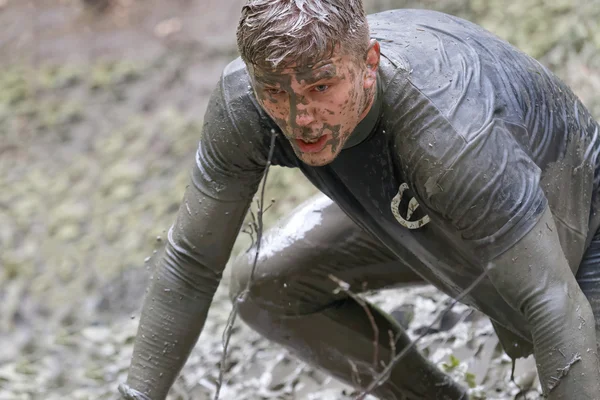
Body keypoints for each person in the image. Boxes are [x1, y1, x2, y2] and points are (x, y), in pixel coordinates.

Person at [117, 1, 600, 399]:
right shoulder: (245, 105)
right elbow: (190, 263)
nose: (298, 116)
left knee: (558, 335)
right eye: (272, 91)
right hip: (422, 202)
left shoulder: (448, 129)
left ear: (370, 64)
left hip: (576, 218)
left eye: (321, 86)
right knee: (264, 284)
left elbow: (553, 301)